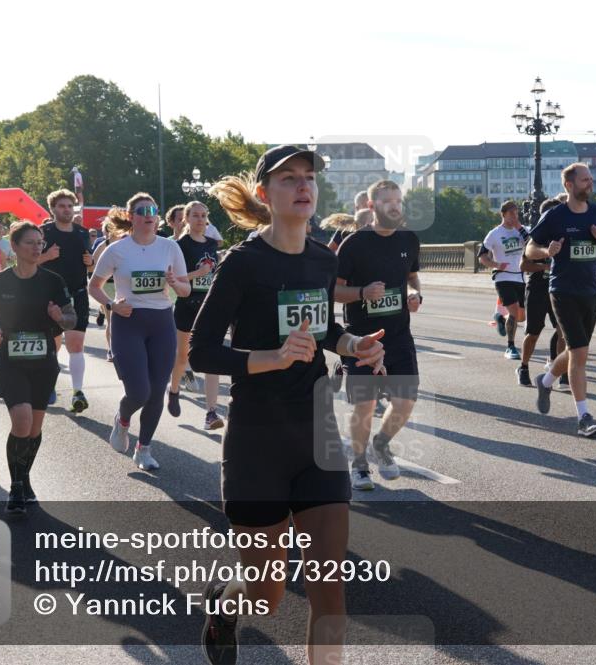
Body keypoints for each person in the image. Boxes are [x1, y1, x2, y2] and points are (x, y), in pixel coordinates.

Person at [190, 145, 384, 665]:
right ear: (264, 194)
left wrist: (353, 345)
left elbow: (324, 329)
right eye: (288, 178)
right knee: (266, 595)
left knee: (330, 593)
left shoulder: (323, 259)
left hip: (316, 436)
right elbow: (202, 350)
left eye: (308, 177)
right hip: (257, 442)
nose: (303, 185)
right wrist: (271, 358)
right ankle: (224, 605)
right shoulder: (242, 264)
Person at [0, 221, 77, 515]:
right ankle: (17, 486)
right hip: (10, 361)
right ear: (15, 246)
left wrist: (60, 318)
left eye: (40, 242)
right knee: (21, 421)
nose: (37, 248)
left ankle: (24, 477)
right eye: (30, 243)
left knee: (33, 429)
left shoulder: (52, 280)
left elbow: (71, 318)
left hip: (44, 362)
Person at [89, 193, 190, 471]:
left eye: (153, 211)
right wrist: (111, 305)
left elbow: (185, 290)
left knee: (156, 392)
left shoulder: (170, 248)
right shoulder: (117, 250)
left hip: (161, 323)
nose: (149, 215)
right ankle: (122, 420)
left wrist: (174, 283)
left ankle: (143, 449)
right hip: (128, 322)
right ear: (130, 217)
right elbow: (94, 286)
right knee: (139, 391)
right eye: (142, 211)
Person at [336, 179, 420, 490]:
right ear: (372, 206)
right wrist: (362, 292)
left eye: (398, 200)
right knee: (366, 405)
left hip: (399, 336)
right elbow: (333, 290)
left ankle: (381, 444)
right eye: (387, 201)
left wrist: (414, 294)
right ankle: (359, 466)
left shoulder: (409, 239)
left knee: (405, 402)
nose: (395, 206)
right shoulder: (353, 244)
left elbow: (412, 277)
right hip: (362, 339)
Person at [526, 163, 596, 438]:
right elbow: (529, 250)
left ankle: (546, 380)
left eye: (590, 179)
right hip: (563, 291)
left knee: (578, 350)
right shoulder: (555, 216)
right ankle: (584, 417)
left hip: (591, 292)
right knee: (580, 353)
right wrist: (547, 251)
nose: (590, 183)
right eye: (585, 180)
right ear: (569, 185)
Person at [168, 200, 224, 429]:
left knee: (213, 359)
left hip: (208, 306)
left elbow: (214, 273)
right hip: (186, 305)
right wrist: (197, 273)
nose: (200, 219)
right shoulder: (180, 245)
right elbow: (173, 278)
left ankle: (211, 413)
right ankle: (174, 390)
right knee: (183, 357)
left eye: (203, 215)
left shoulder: (211, 244)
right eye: (195, 215)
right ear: (186, 219)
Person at [38, 189, 94, 413]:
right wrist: (46, 256)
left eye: (70, 206)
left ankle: (77, 392)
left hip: (78, 293)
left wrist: (90, 262)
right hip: (50, 295)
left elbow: (89, 265)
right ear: (53, 209)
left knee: (76, 344)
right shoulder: (43, 232)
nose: (67, 210)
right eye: (62, 206)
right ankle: (49, 383)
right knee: (53, 344)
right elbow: (28, 261)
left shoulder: (82, 233)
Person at [519, 196, 568, 387]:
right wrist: (545, 266)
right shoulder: (537, 237)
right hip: (538, 288)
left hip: (559, 289)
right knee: (533, 333)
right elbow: (523, 265)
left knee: (562, 332)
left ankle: (561, 372)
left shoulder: (566, 234)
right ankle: (523, 367)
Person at [479, 200, 528, 361]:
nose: (515, 216)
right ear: (503, 214)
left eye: (517, 213)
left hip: (520, 277)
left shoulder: (522, 231)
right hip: (503, 277)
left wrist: (520, 228)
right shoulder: (494, 234)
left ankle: (501, 318)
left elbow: (533, 243)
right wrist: (496, 265)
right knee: (513, 312)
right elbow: (482, 257)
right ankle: (511, 346)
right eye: (511, 213)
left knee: (521, 317)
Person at [91, 213, 125, 356]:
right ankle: (111, 349)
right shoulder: (103, 245)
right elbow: (92, 266)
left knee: (123, 319)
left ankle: (123, 346)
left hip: (122, 285)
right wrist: (106, 271)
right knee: (111, 319)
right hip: (107, 285)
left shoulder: (127, 243)